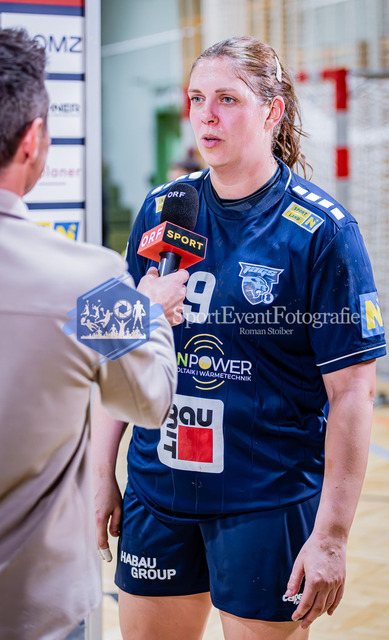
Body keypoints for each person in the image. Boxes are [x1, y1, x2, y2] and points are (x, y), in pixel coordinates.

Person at [94, 36, 387, 640]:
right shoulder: (162, 209)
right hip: (158, 489)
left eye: (227, 99)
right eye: (197, 97)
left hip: (266, 499)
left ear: (272, 111)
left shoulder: (322, 231)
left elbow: (353, 394)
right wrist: (100, 473)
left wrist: (332, 535)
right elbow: (116, 350)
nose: (207, 115)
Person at [0, 28, 188, 640]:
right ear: (33, 140)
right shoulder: (92, 284)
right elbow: (148, 400)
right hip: (35, 611)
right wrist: (149, 312)